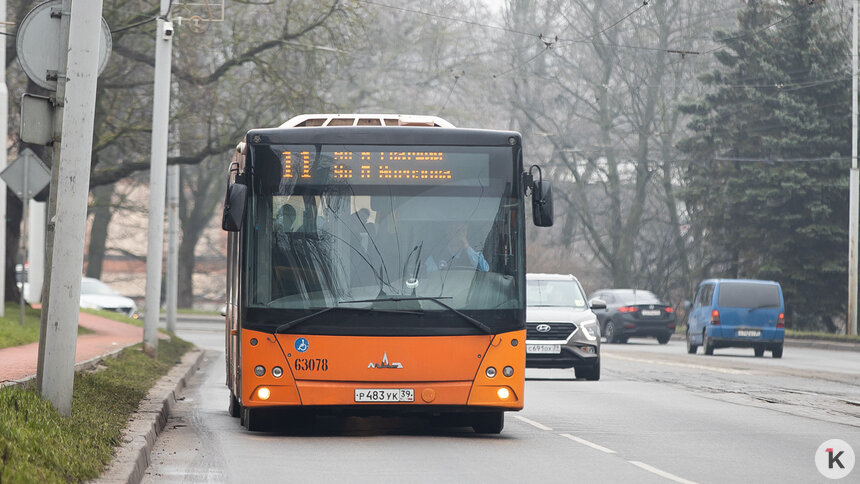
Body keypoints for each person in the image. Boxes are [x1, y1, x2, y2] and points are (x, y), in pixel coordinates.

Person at [424, 222, 489, 272]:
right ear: (448, 233)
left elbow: (485, 271)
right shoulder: (436, 255)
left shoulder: (474, 254)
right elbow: (427, 276)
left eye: (463, 231)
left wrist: (468, 248)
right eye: (457, 230)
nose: (460, 234)